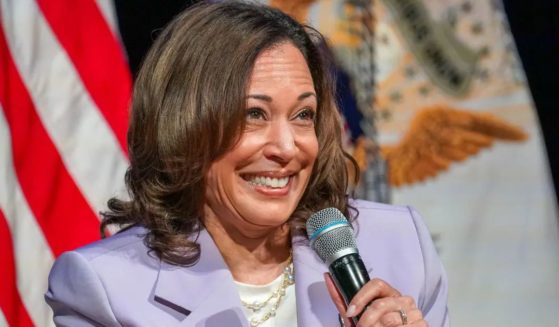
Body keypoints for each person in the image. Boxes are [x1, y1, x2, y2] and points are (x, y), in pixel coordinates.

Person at [45, 2, 449, 326]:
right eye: (254, 115)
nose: (287, 147)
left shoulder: (400, 247)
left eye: (303, 115)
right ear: (186, 125)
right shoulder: (104, 289)